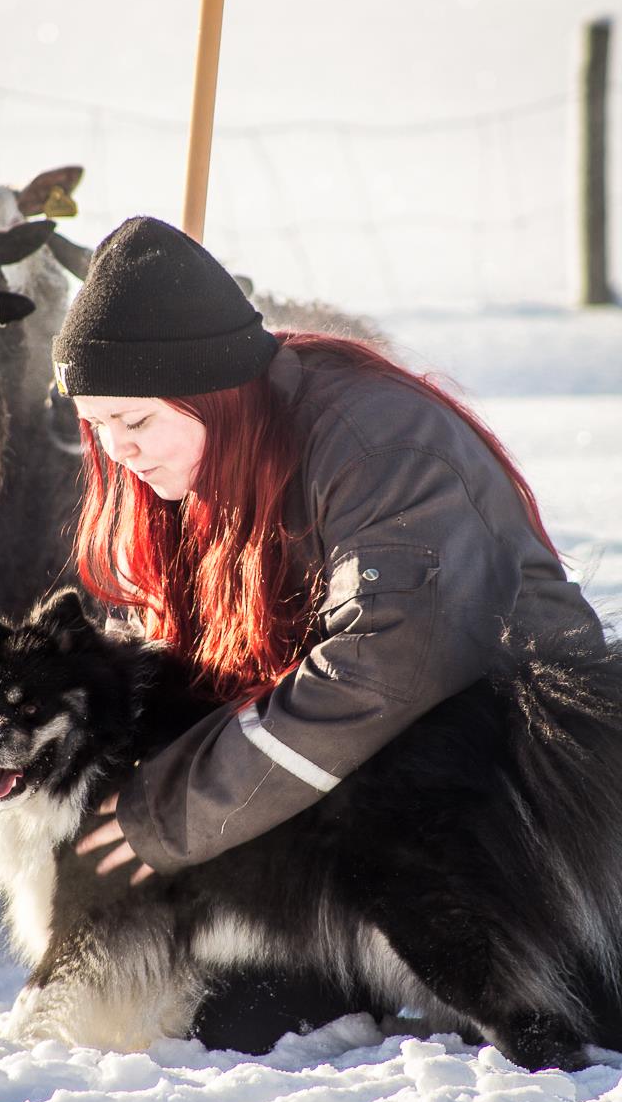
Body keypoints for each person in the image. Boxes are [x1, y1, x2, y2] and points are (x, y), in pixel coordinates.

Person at [50, 215, 606, 1048]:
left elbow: (383, 669)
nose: (118, 451)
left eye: (134, 421)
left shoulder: (379, 445)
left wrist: (170, 818)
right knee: (245, 1024)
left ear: (206, 392)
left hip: (519, 809)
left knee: (584, 1023)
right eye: (97, 425)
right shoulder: (197, 464)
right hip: (352, 810)